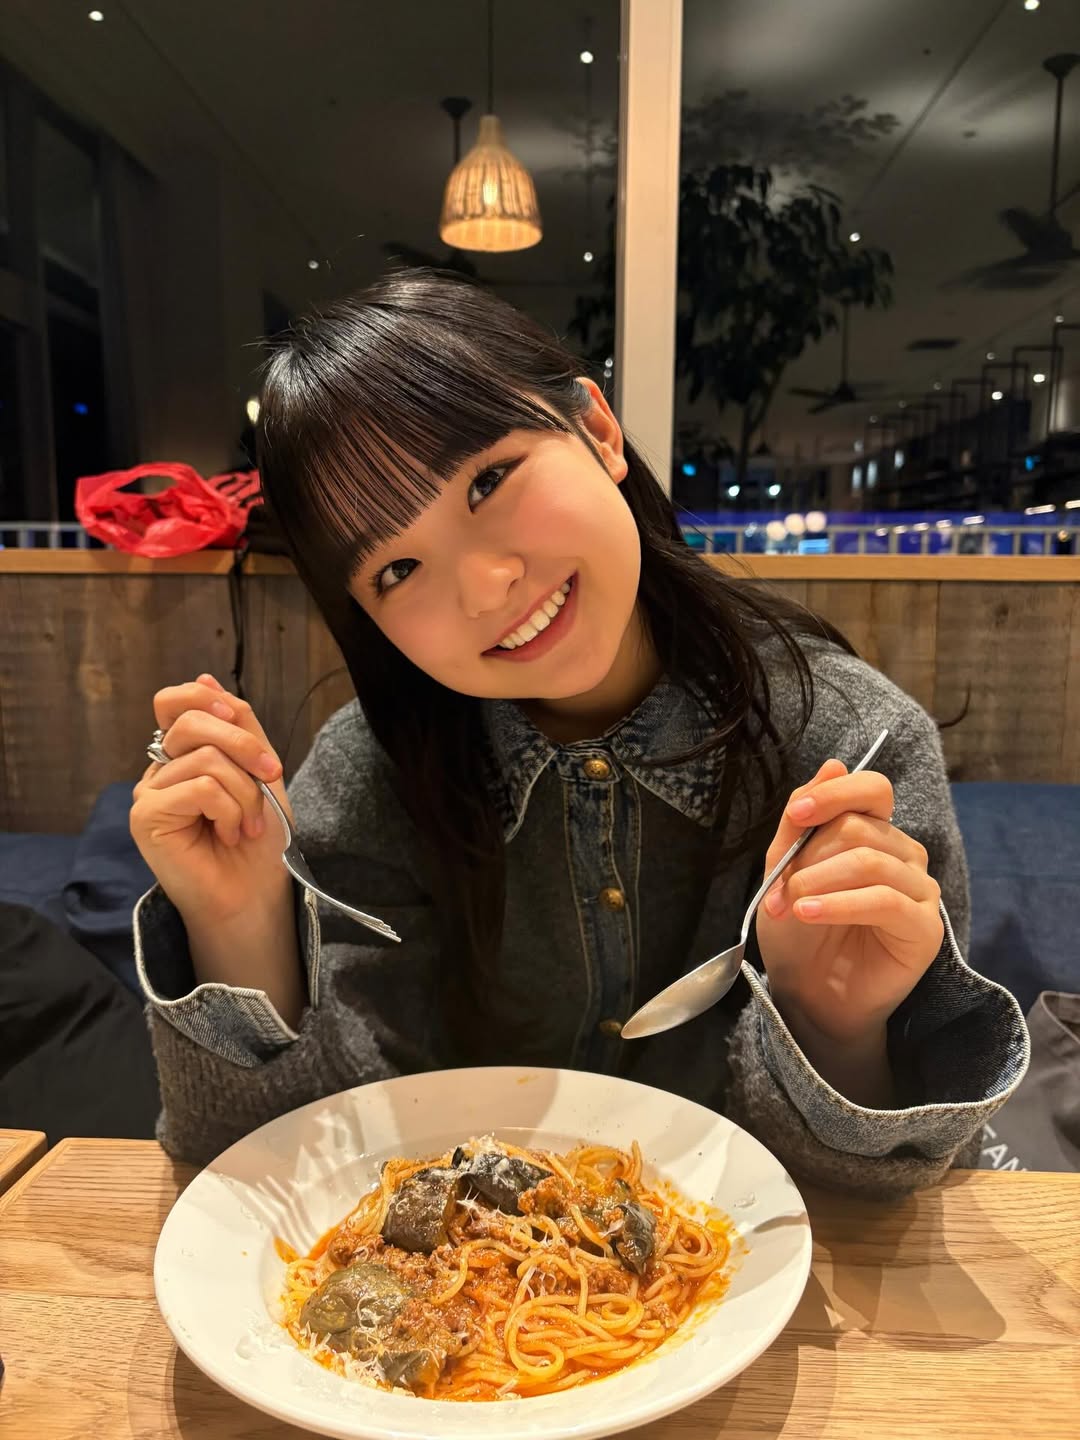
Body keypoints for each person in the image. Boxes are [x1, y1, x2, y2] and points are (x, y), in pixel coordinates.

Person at [129, 270, 1027, 1192]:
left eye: (489, 480)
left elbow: (898, 1195)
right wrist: (236, 924)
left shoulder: (851, 747)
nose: (486, 587)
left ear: (598, 430)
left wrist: (834, 1027)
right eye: (397, 569)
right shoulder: (372, 774)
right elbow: (300, 1175)